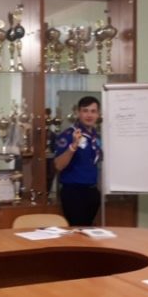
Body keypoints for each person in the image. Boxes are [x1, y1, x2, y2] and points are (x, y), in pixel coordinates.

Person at [54, 96, 102, 226]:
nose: (89, 115)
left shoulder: (96, 137)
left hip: (92, 191)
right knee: (77, 231)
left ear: (98, 114)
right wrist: (73, 146)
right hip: (74, 192)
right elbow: (58, 165)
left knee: (87, 230)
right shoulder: (69, 135)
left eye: (93, 111)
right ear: (78, 113)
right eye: (85, 111)